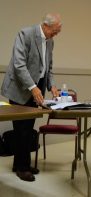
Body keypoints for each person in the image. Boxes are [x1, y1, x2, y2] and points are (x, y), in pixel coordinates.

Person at [1, 13, 62, 182]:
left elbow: (49, 68)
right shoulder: (25, 34)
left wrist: (52, 86)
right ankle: (22, 168)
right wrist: (33, 87)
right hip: (20, 89)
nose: (55, 35)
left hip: (37, 89)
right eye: (55, 31)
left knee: (27, 129)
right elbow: (19, 65)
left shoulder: (50, 42)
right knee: (21, 129)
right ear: (46, 25)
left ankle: (21, 164)